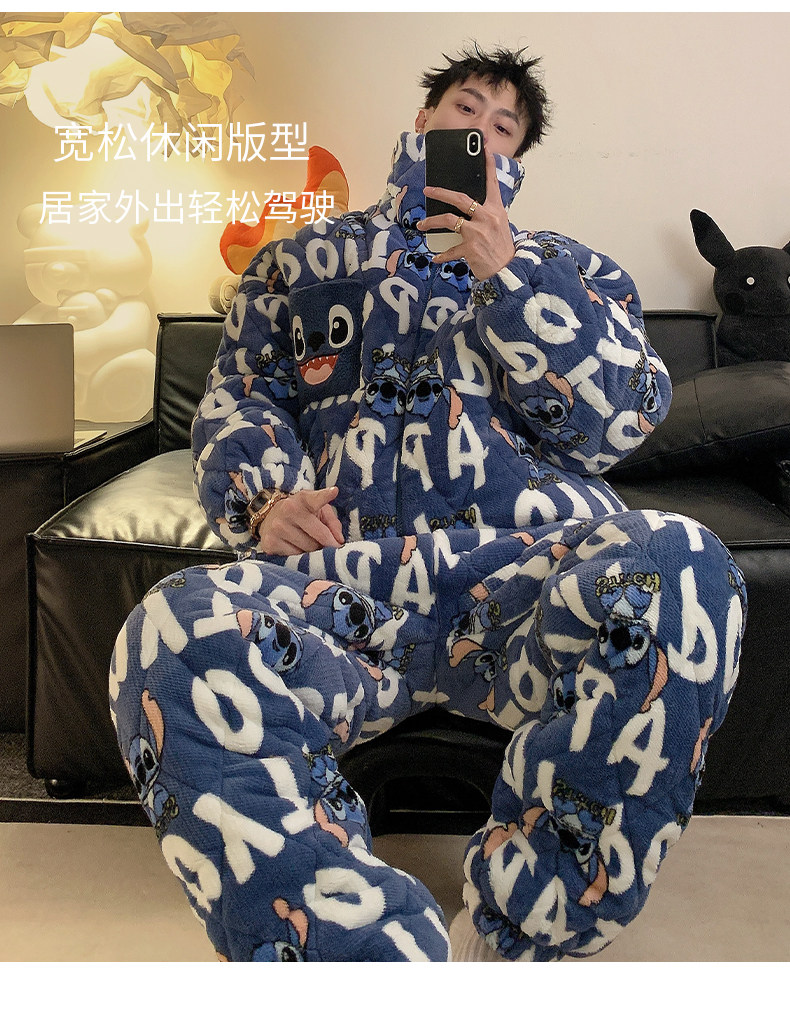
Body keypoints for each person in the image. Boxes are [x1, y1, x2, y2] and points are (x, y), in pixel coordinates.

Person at [110, 43, 746, 962]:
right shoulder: (299, 261)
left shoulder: (576, 271)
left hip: (524, 587)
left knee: (685, 564)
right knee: (169, 630)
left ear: (516, 158)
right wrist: (264, 500)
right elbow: (239, 398)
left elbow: (616, 425)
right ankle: (362, 960)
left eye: (504, 125)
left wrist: (511, 278)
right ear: (423, 122)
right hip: (340, 592)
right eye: (466, 109)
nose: (481, 129)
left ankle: (520, 931)